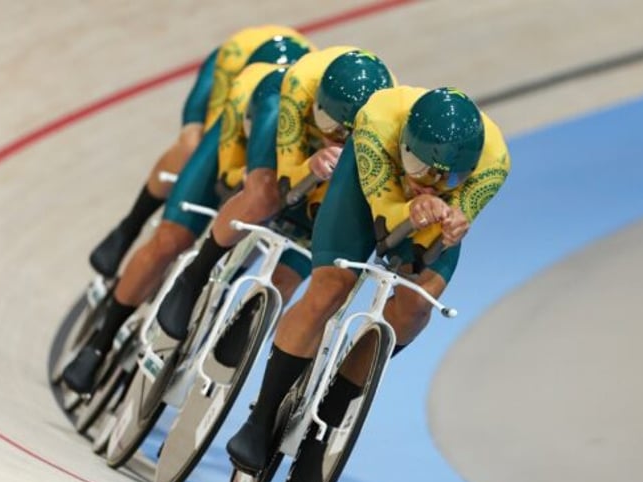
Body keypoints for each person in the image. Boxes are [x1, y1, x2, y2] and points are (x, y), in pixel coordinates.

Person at [225, 86, 512, 482]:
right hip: (363, 191)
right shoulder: (379, 119)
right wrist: (409, 207)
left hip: (432, 214)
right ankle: (262, 417)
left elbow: (459, 215)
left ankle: (329, 418)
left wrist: (455, 220)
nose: (427, 181)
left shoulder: (494, 161)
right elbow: (385, 210)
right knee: (330, 288)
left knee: (415, 309)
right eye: (420, 167)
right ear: (404, 143)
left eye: (446, 176)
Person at [62, 46, 312, 394]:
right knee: (171, 239)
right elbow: (234, 170)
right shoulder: (261, 97)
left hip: (292, 181)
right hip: (235, 156)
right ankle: (98, 344)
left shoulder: (337, 138)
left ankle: (208, 327)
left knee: (259, 258)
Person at [156, 48, 396, 341]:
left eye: (344, 134)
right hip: (275, 108)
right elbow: (286, 173)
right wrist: (309, 165)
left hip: (346, 143)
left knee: (318, 230)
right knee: (265, 194)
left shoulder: (383, 126)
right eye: (330, 128)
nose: (335, 137)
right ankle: (195, 275)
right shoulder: (298, 86)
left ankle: (248, 330)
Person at [88, 25, 314, 278]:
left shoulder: (305, 121)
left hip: (275, 103)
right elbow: (223, 157)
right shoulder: (247, 89)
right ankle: (130, 225)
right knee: (193, 148)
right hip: (238, 69)